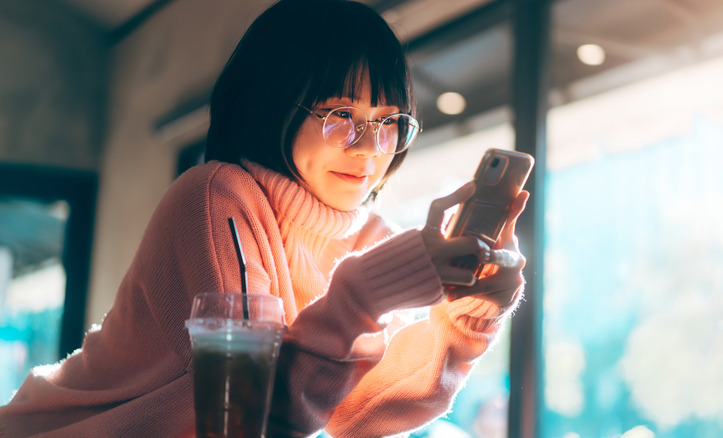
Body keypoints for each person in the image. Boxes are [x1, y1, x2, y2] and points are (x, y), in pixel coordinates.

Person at [0, 0, 530, 436]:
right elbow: (257, 414)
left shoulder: (370, 237)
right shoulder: (216, 195)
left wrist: (465, 322)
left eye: (389, 121)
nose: (370, 149)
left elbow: (357, 417)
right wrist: (365, 295)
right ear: (274, 104)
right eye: (341, 115)